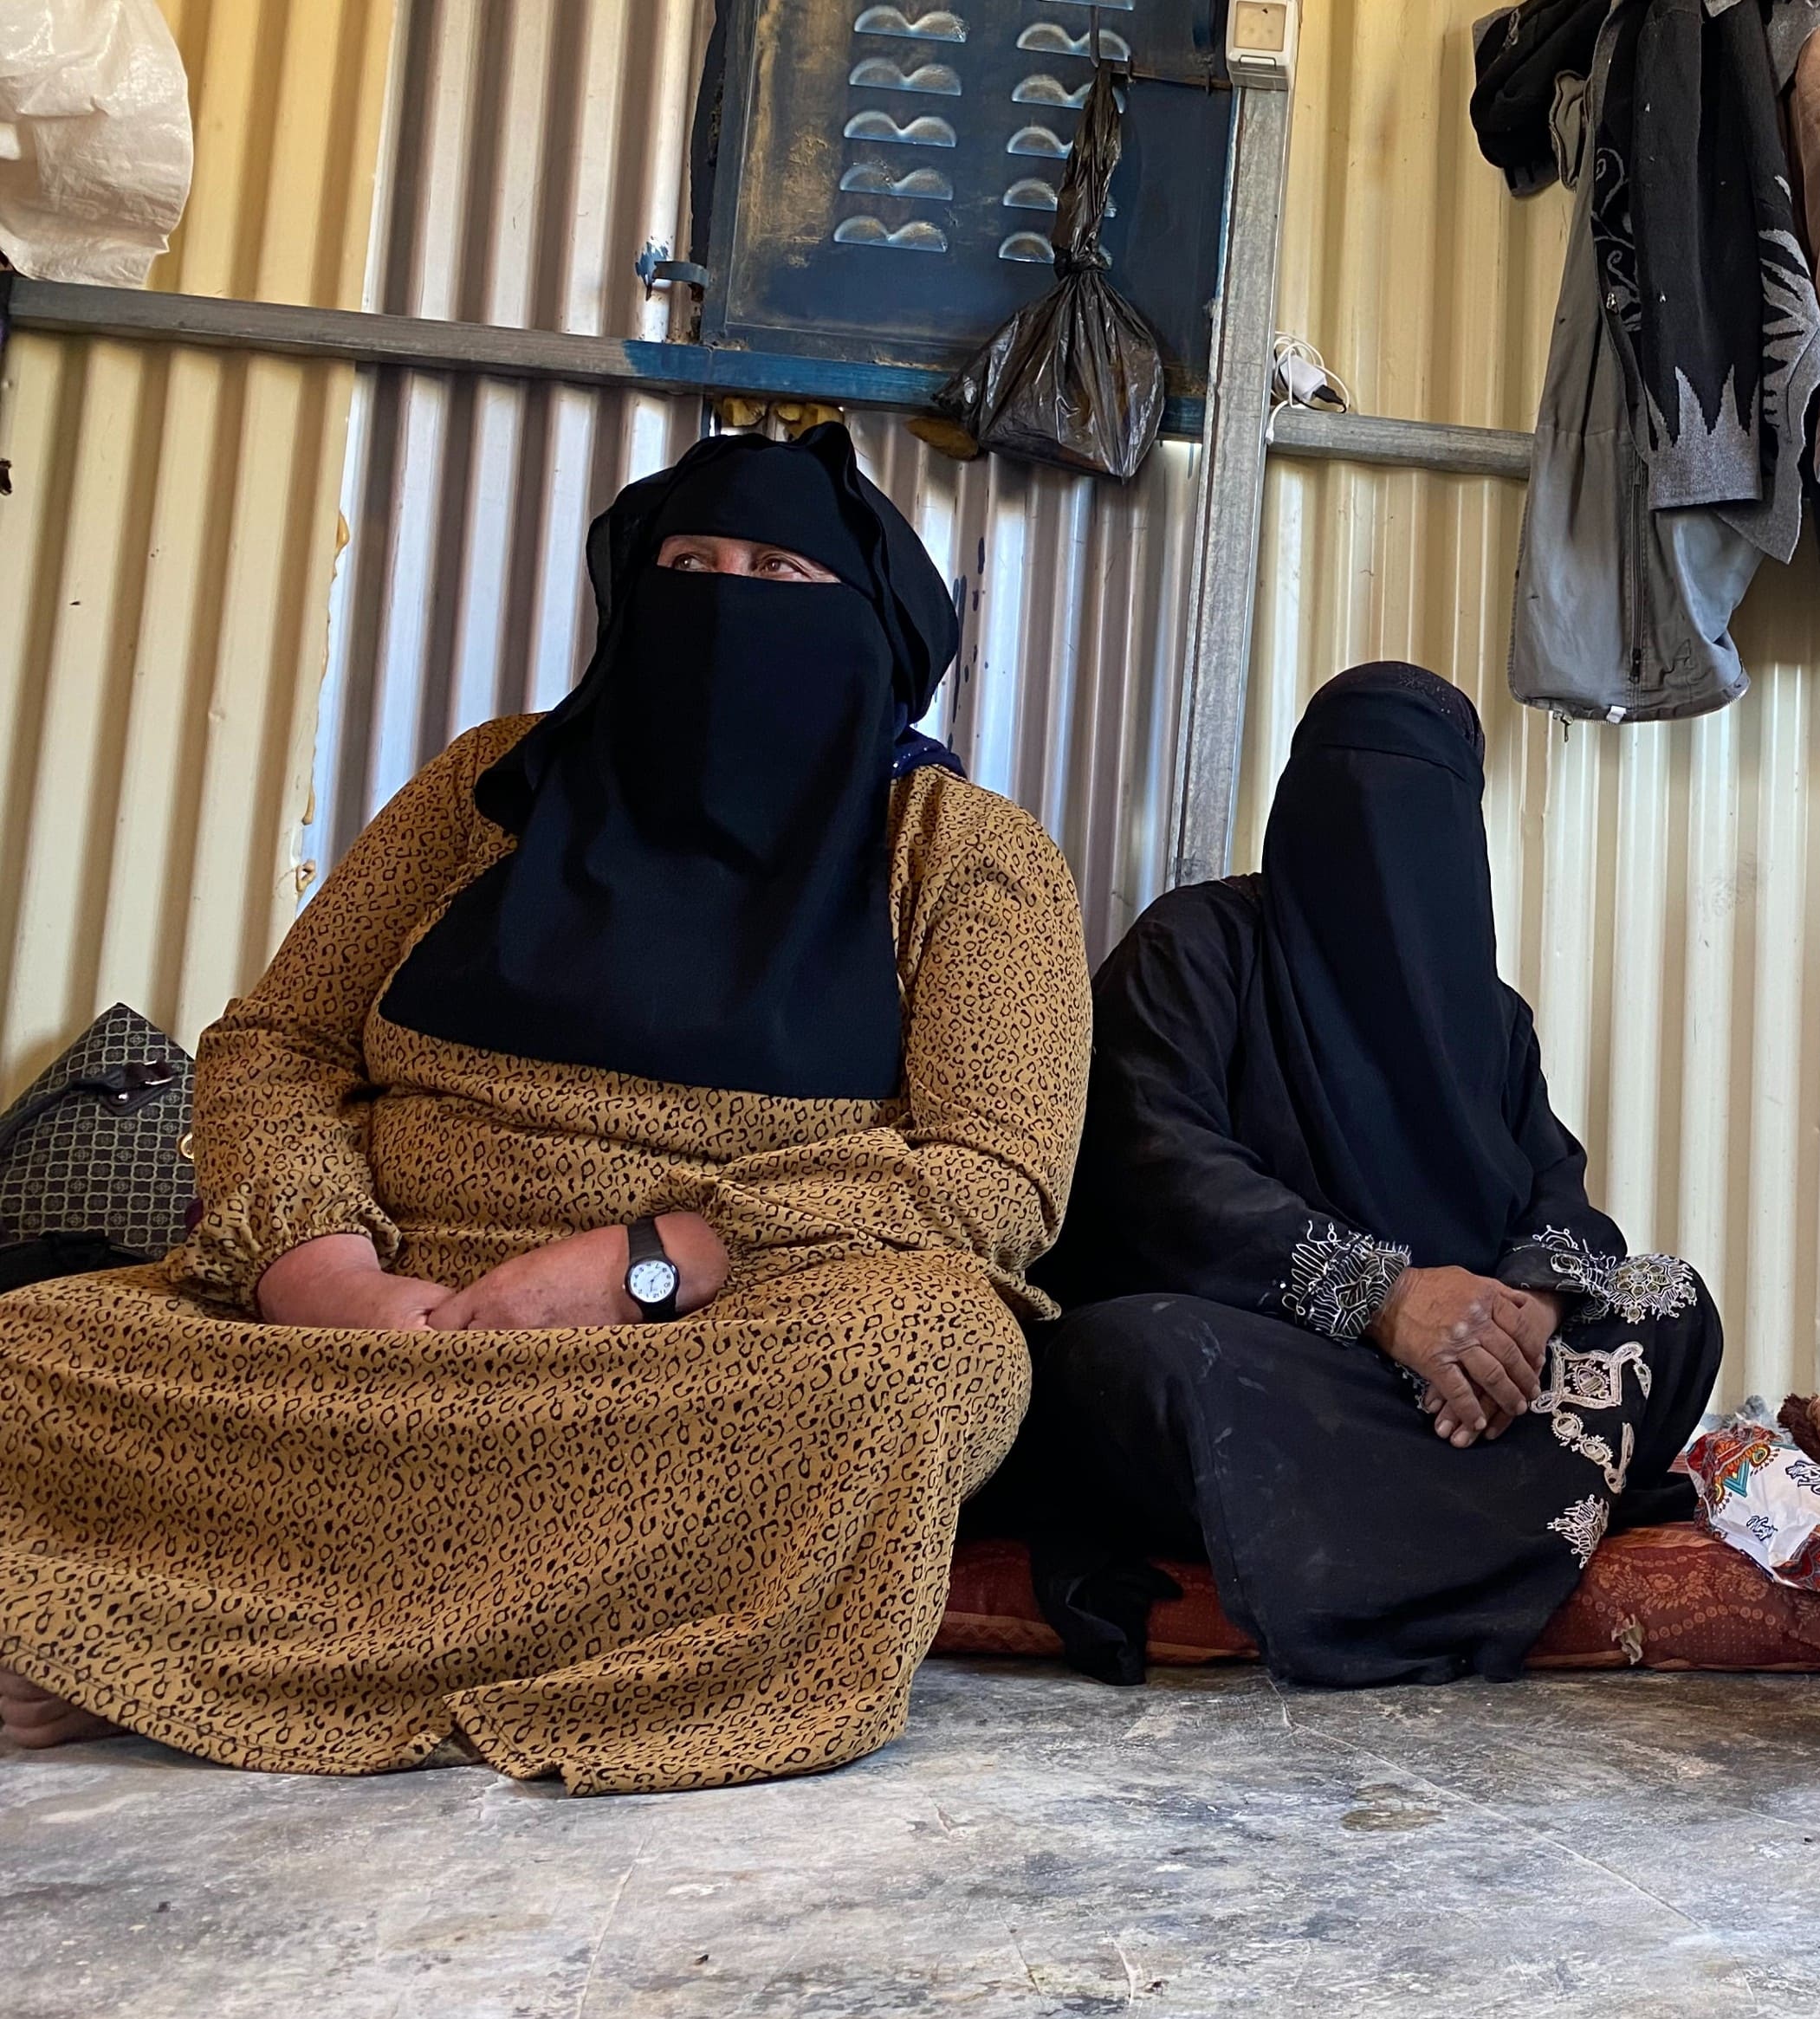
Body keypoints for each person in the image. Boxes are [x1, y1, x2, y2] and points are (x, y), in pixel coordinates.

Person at [0, 426, 1091, 1789]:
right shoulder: (490, 788)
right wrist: (319, 1266)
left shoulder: (965, 854)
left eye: (776, 573)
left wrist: (647, 1262)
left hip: (725, 1329)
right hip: (397, 1301)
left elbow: (995, 1174)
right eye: (689, 564)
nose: (723, 600)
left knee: (912, 1361)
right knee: (25, 1355)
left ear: (873, 632)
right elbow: (277, 1041)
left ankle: (166, 1639)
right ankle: (253, 1628)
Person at [980, 662, 1720, 1686]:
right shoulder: (1195, 945)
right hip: (1275, 1354)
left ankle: (1399, 1525)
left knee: (1671, 1297)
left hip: (1442, 1383)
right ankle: (1508, 1512)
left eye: (1417, 796)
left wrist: (1521, 1317)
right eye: (1348, 782)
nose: (1381, 828)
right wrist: (1388, 1299)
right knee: (1142, 1358)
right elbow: (1152, 1163)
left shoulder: (1490, 1021)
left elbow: (1558, 1189)